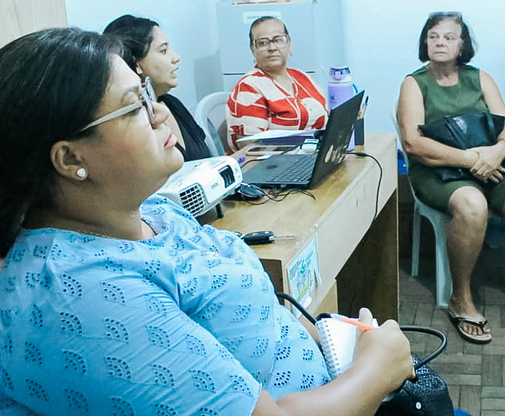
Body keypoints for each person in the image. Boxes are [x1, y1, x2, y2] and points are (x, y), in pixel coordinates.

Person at [0, 28, 414, 415]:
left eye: (148, 94)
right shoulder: (84, 296)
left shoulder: (155, 213)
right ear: (71, 158)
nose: (159, 113)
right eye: (134, 106)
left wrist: (331, 336)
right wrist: (377, 370)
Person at [396, 12, 505, 343]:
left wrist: (497, 152)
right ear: (425, 42)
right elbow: (413, 144)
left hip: (491, 165)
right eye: (433, 36)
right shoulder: (414, 83)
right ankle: (461, 298)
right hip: (437, 171)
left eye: (449, 37)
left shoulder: (480, 78)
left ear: (462, 45)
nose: (440, 42)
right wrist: (473, 159)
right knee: (471, 203)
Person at [104, 15, 211, 161]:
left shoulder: (173, 103)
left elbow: (207, 163)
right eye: (163, 51)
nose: (176, 57)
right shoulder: (133, 122)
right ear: (136, 64)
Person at [227, 16, 328, 150]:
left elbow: (327, 123)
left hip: (313, 157)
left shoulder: (303, 77)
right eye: (263, 43)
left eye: (278, 40)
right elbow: (251, 148)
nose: (272, 47)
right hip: (272, 165)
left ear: (289, 44)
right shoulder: (248, 88)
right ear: (253, 49)